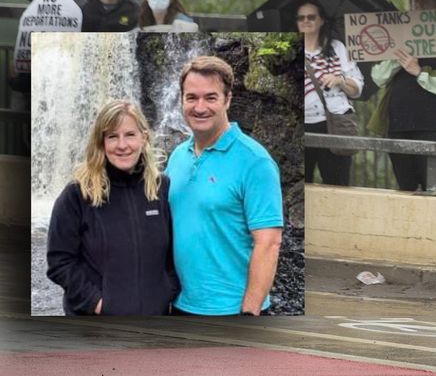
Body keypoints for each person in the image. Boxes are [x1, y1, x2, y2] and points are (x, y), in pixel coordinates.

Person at [165, 55, 283, 315]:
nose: (200, 107)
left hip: (230, 310)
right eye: (191, 97)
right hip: (179, 303)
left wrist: (249, 312)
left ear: (227, 99)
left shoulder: (255, 162)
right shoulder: (177, 157)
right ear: (182, 100)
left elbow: (269, 243)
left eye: (211, 97)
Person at [46, 99, 178, 315]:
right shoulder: (78, 193)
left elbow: (174, 252)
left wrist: (167, 290)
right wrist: (96, 303)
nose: (122, 145)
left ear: (144, 138)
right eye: (112, 136)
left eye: (130, 135)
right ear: (101, 142)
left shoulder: (160, 188)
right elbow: (59, 261)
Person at [368, 0, 436, 191]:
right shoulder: (396, 33)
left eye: (423, 1)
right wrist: (398, 57)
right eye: (413, 1)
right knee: (405, 191)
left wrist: (419, 72)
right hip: (398, 125)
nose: (416, 6)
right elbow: (378, 77)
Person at [298, 0, 362, 186]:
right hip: (302, 123)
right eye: (301, 17)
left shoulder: (337, 48)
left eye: (311, 17)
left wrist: (339, 80)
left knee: (337, 183)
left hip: (334, 121)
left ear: (321, 21)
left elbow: (357, 88)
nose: (306, 21)